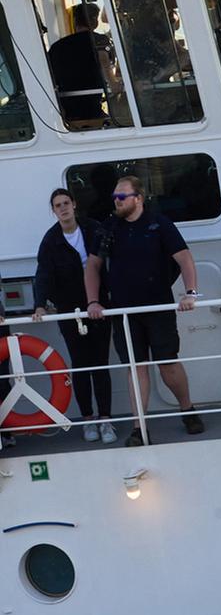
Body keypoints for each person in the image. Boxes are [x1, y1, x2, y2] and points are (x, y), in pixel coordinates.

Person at [83, 175, 202, 444]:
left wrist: (190, 293)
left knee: (168, 365)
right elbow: (92, 265)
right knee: (136, 368)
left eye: (122, 196)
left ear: (138, 198)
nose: (117, 200)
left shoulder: (159, 224)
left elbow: (184, 258)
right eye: (115, 196)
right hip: (124, 311)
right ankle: (139, 428)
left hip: (158, 305)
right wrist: (93, 301)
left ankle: (187, 409)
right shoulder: (108, 227)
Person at [32, 189, 114, 442]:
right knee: (80, 364)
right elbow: (43, 274)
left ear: (74, 205)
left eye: (66, 203)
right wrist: (39, 305)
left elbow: (111, 261)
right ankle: (88, 420)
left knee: (100, 363)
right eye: (58, 205)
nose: (63, 208)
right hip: (70, 310)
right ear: (53, 211)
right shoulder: (50, 241)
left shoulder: (93, 229)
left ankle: (106, 420)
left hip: (98, 305)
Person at [46, 2, 116, 126]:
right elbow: (105, 63)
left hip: (67, 112)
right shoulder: (99, 40)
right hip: (93, 109)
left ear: (75, 20)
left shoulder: (57, 47)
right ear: (94, 19)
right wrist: (114, 84)